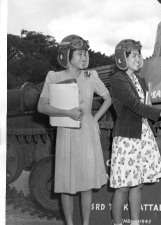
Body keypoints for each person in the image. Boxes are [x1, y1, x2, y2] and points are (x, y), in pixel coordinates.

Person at [37, 34, 111, 225]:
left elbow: (108, 98)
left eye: (86, 53)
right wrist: (67, 113)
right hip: (66, 130)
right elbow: (42, 107)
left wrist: (94, 119)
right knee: (66, 183)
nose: (84, 57)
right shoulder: (54, 77)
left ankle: (85, 223)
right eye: (79, 54)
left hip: (86, 132)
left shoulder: (91, 76)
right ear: (66, 55)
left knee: (86, 183)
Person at [109, 39, 161, 225]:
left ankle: (135, 223)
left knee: (138, 184)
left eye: (139, 54)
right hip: (126, 137)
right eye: (133, 55)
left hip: (143, 135)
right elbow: (135, 106)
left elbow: (147, 105)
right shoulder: (117, 79)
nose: (138, 58)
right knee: (123, 186)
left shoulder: (140, 80)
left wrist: (158, 112)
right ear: (121, 58)